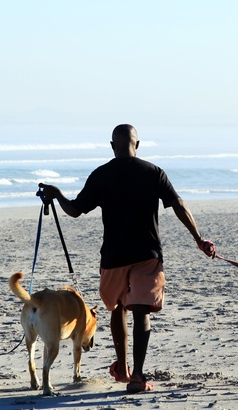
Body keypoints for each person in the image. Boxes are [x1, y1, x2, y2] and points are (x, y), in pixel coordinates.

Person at [37, 124, 216, 393]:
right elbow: (179, 204)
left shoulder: (102, 174)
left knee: (118, 308)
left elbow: (74, 210)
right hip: (147, 254)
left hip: (114, 256)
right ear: (137, 144)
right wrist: (198, 238)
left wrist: (56, 194)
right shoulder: (153, 172)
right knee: (141, 312)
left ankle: (122, 367)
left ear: (112, 146)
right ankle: (137, 377)